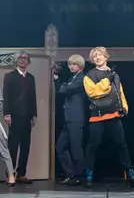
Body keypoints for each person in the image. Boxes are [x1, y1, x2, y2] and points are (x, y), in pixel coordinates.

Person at [83, 47, 134, 188]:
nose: (97, 58)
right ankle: (89, 174)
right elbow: (93, 93)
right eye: (95, 56)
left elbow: (119, 92)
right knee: (93, 146)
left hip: (114, 114)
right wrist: (106, 81)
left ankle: (130, 174)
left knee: (122, 145)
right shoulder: (89, 76)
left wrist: (124, 107)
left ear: (106, 57)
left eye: (100, 55)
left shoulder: (114, 74)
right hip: (97, 116)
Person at [3, 51, 37, 184]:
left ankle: (21, 174)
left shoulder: (31, 78)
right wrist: (7, 114)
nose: (23, 60)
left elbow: (33, 97)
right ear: (16, 60)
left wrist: (34, 114)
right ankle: (10, 174)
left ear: (28, 61)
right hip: (14, 116)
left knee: (25, 146)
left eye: (25, 58)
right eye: (21, 58)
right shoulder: (10, 76)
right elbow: (6, 96)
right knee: (12, 146)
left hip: (27, 116)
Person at [53, 55, 87, 186]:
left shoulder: (82, 78)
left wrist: (63, 85)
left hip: (76, 118)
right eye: (70, 64)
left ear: (81, 65)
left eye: (74, 64)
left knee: (76, 148)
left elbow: (64, 90)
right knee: (60, 147)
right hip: (68, 119)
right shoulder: (71, 78)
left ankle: (78, 176)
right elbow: (61, 89)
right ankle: (70, 174)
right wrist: (57, 79)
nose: (71, 66)